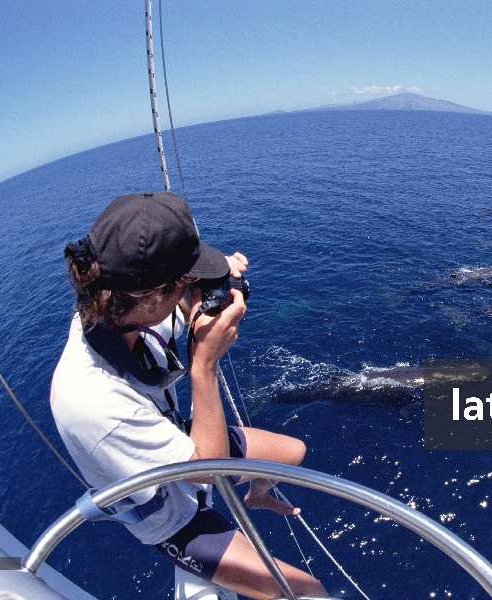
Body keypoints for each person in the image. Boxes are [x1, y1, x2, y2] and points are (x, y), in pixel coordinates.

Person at [51, 191, 326, 599]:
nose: (190, 288)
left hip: (184, 449)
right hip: (173, 514)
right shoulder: (93, 402)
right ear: (152, 297)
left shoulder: (116, 309)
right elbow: (206, 472)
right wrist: (205, 364)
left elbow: (173, 314)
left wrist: (213, 286)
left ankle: (257, 496)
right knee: (307, 592)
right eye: (186, 281)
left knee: (294, 452)